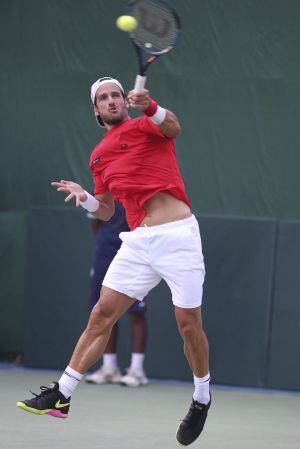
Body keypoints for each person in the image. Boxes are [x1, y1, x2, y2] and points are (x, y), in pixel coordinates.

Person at [17, 76, 211, 446]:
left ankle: (201, 397)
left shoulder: (146, 124)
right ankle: (62, 393)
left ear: (125, 101)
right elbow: (106, 211)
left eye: (116, 96)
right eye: (104, 98)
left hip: (178, 235)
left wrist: (150, 106)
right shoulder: (98, 155)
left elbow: (175, 127)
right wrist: (85, 197)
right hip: (138, 241)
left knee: (188, 325)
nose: (111, 101)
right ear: (96, 109)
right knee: (101, 314)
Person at [86, 202, 148, 387]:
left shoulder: (141, 191)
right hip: (104, 256)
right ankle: (109, 368)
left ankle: (137, 371)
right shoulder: (101, 191)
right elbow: (96, 223)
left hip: (135, 256)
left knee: (137, 313)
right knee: (104, 311)